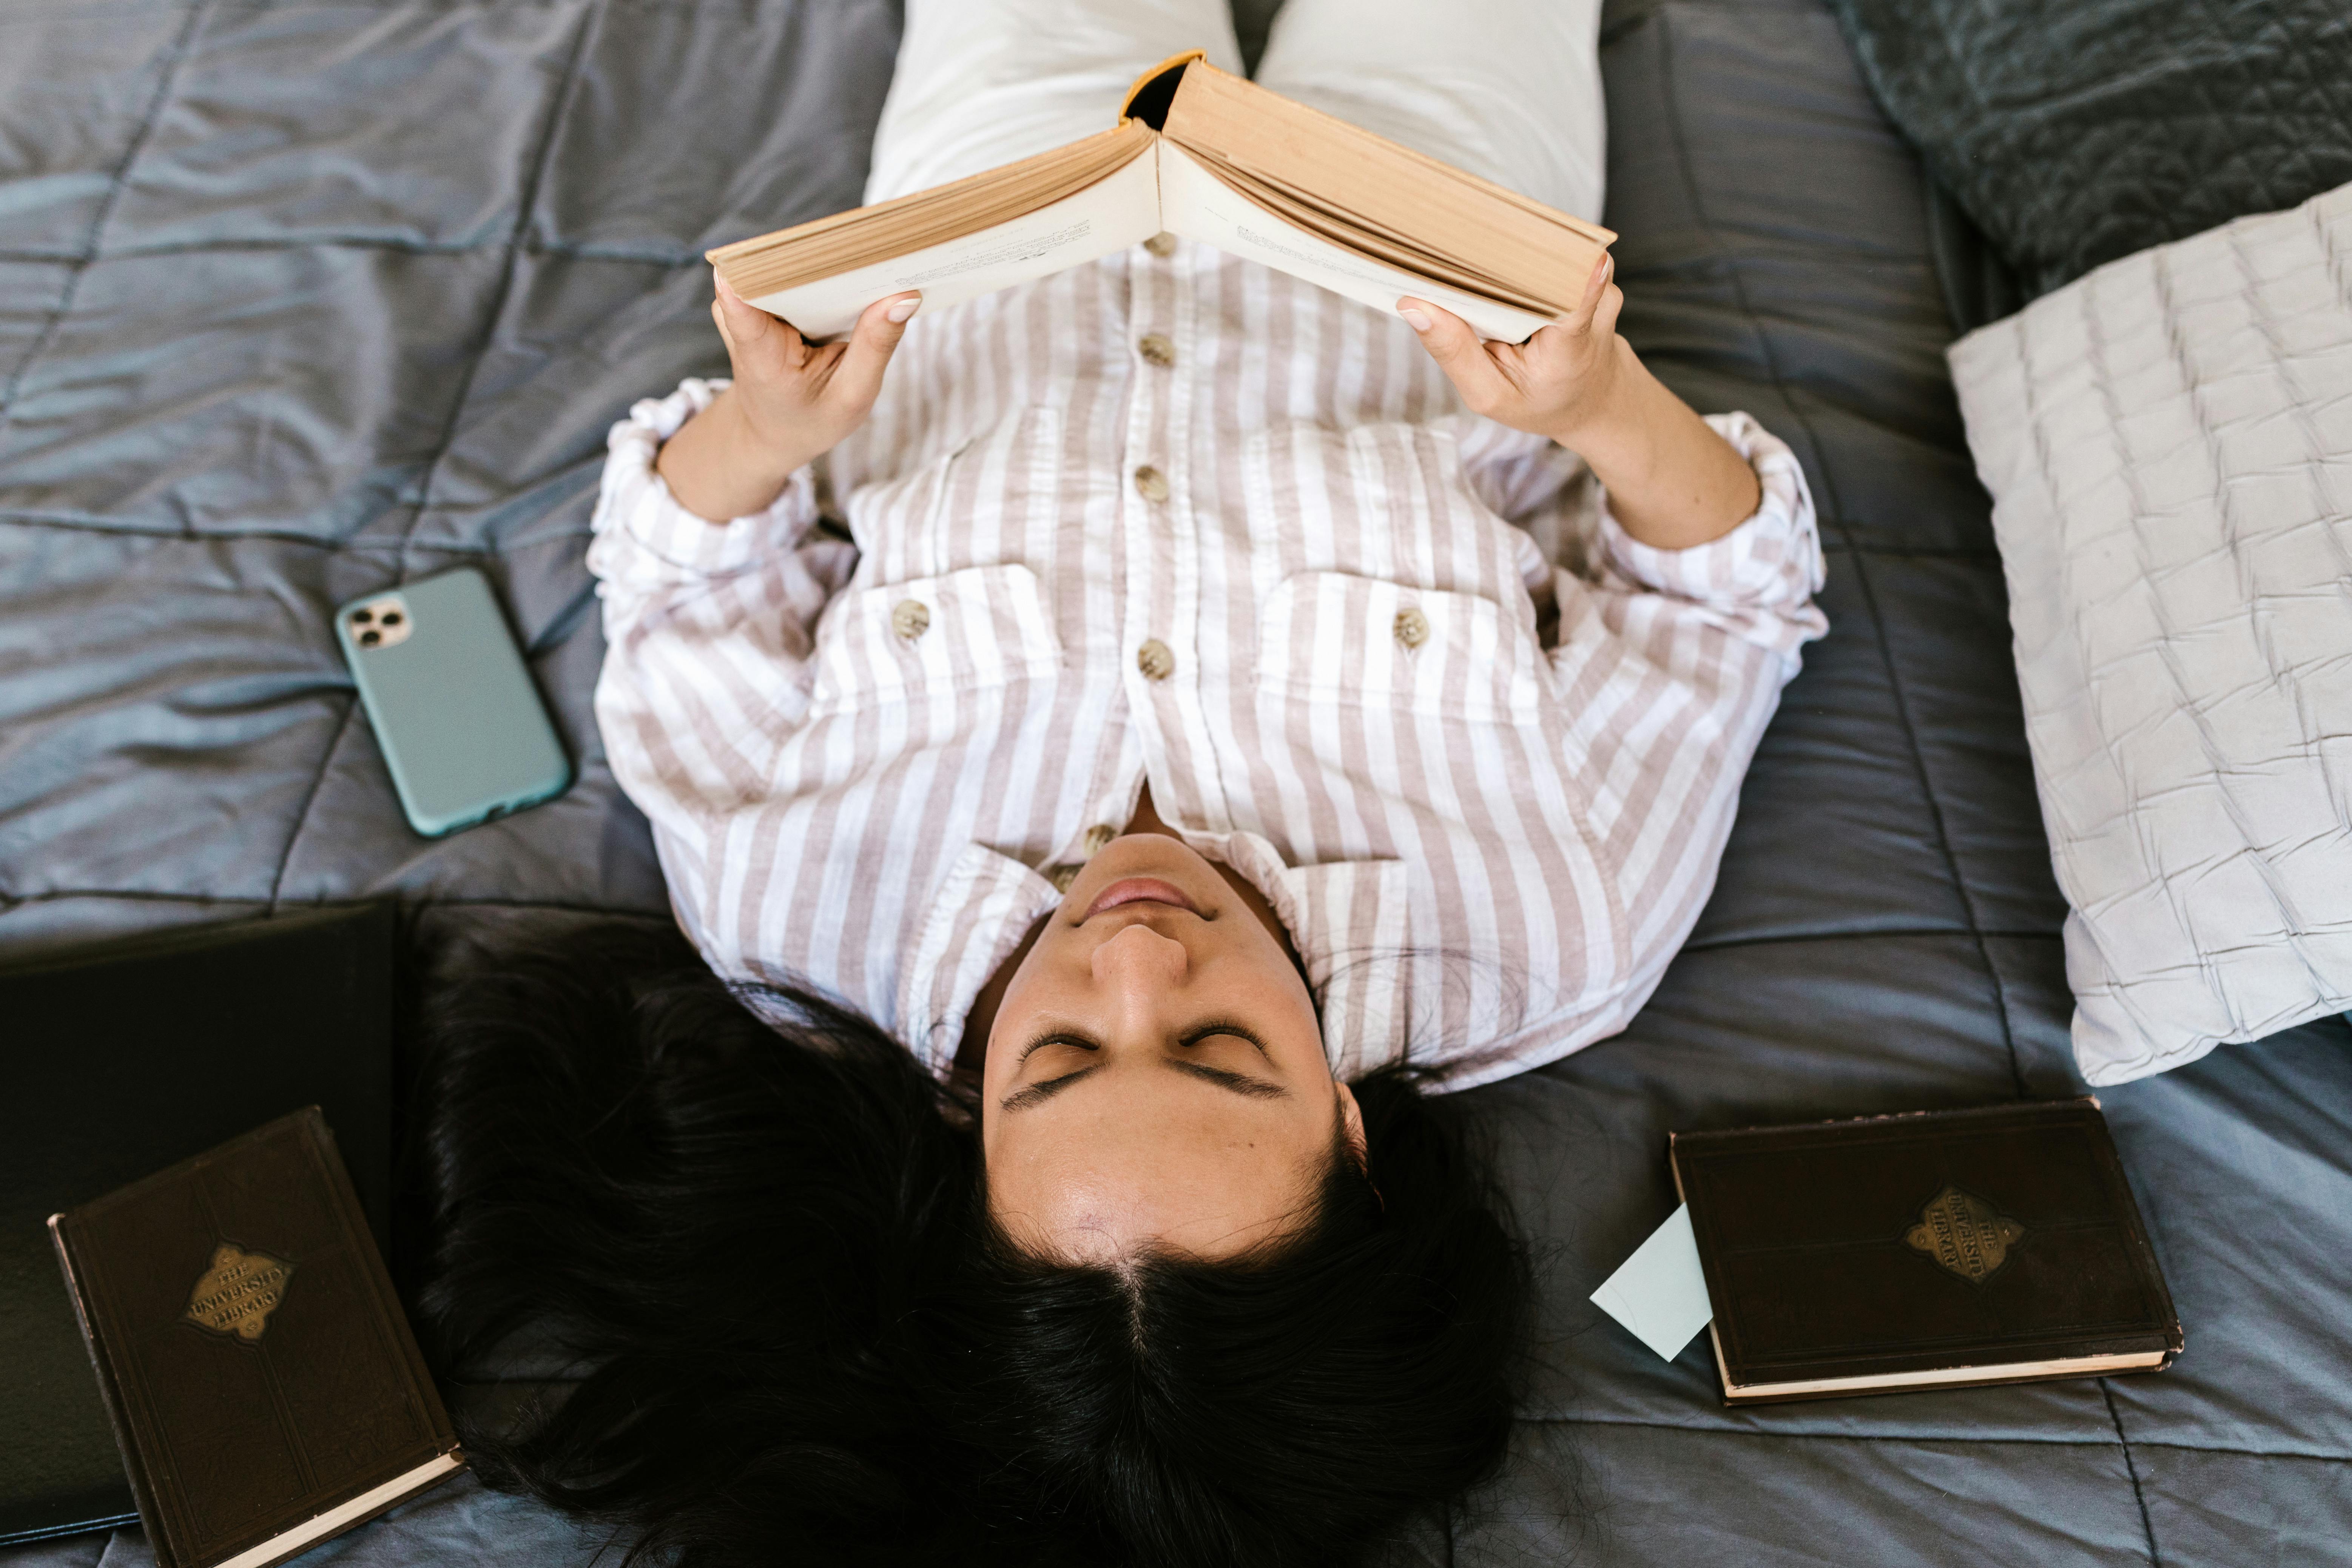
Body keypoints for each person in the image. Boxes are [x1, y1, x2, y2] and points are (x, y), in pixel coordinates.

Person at [418, 0, 1826, 1563]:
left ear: (967, 1142)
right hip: (1417, 224)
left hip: (1001, 213)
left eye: (1062, 1055)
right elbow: (1723, 602)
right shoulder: (1557, 928)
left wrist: (762, 431)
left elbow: (682, 588)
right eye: (1225, 1048)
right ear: (1350, 1142)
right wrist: (1598, 406)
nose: (1139, 952)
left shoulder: (791, 914)